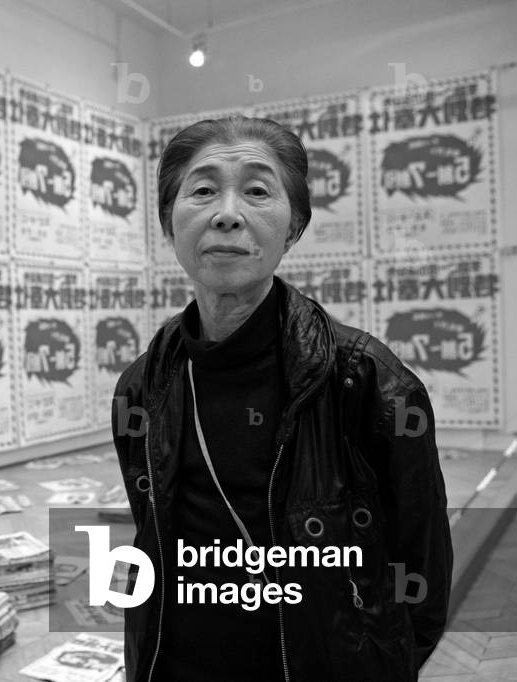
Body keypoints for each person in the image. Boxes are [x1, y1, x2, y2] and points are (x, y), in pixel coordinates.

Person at [112, 115, 452, 681]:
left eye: (257, 190)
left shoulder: (368, 383)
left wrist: (377, 663)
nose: (227, 212)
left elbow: (420, 568)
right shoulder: (141, 387)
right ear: (169, 224)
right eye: (202, 190)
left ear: (293, 226)